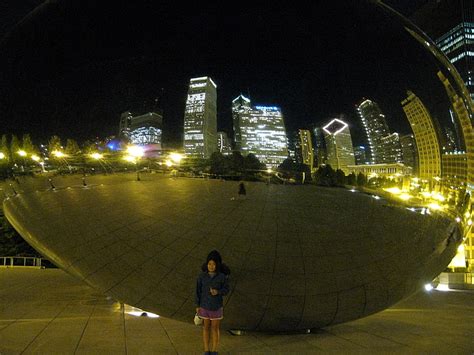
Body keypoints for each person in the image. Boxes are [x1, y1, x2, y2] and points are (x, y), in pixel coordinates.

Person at [196, 250, 230, 355]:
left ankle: (215, 351)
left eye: (214, 264)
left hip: (216, 306)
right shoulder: (202, 276)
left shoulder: (222, 277)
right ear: (207, 264)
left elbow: (226, 290)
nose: (211, 266)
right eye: (209, 264)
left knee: (215, 328)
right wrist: (197, 305)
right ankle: (206, 350)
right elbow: (197, 291)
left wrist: (218, 292)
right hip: (204, 306)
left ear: (217, 265)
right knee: (206, 328)